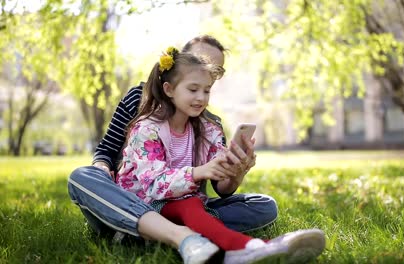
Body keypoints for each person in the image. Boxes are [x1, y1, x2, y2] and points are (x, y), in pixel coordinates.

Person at [67, 35, 325, 263]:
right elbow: (148, 181)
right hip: (136, 201)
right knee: (82, 178)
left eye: (208, 88)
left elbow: (220, 187)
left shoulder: (209, 127)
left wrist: (236, 170)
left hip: (184, 203)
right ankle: (245, 246)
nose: (201, 96)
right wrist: (105, 176)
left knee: (261, 205)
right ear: (170, 85)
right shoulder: (146, 121)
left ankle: (172, 237)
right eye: (193, 88)